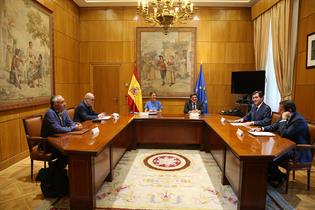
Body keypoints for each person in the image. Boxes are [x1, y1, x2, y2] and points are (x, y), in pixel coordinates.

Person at [253, 100, 312, 187]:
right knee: (265, 153)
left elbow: (285, 133)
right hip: (287, 146)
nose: (279, 111)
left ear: (290, 110)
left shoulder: (299, 121)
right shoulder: (284, 116)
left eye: (281, 109)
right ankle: (273, 175)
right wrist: (261, 129)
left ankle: (280, 177)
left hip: (298, 151)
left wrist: (283, 119)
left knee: (270, 157)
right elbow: (274, 126)